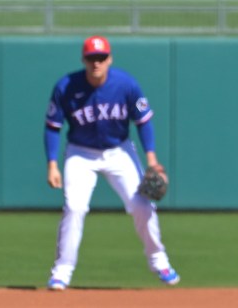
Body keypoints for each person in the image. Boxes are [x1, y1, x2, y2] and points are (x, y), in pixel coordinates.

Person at [43, 35, 180, 290]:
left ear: (110, 59)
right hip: (80, 153)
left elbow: (143, 121)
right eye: (91, 58)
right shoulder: (66, 86)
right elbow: (52, 127)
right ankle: (62, 271)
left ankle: (158, 260)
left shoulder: (126, 84)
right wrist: (52, 163)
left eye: (101, 57)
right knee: (74, 207)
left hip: (119, 151)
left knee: (141, 204)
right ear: (83, 59)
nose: (97, 63)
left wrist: (151, 158)